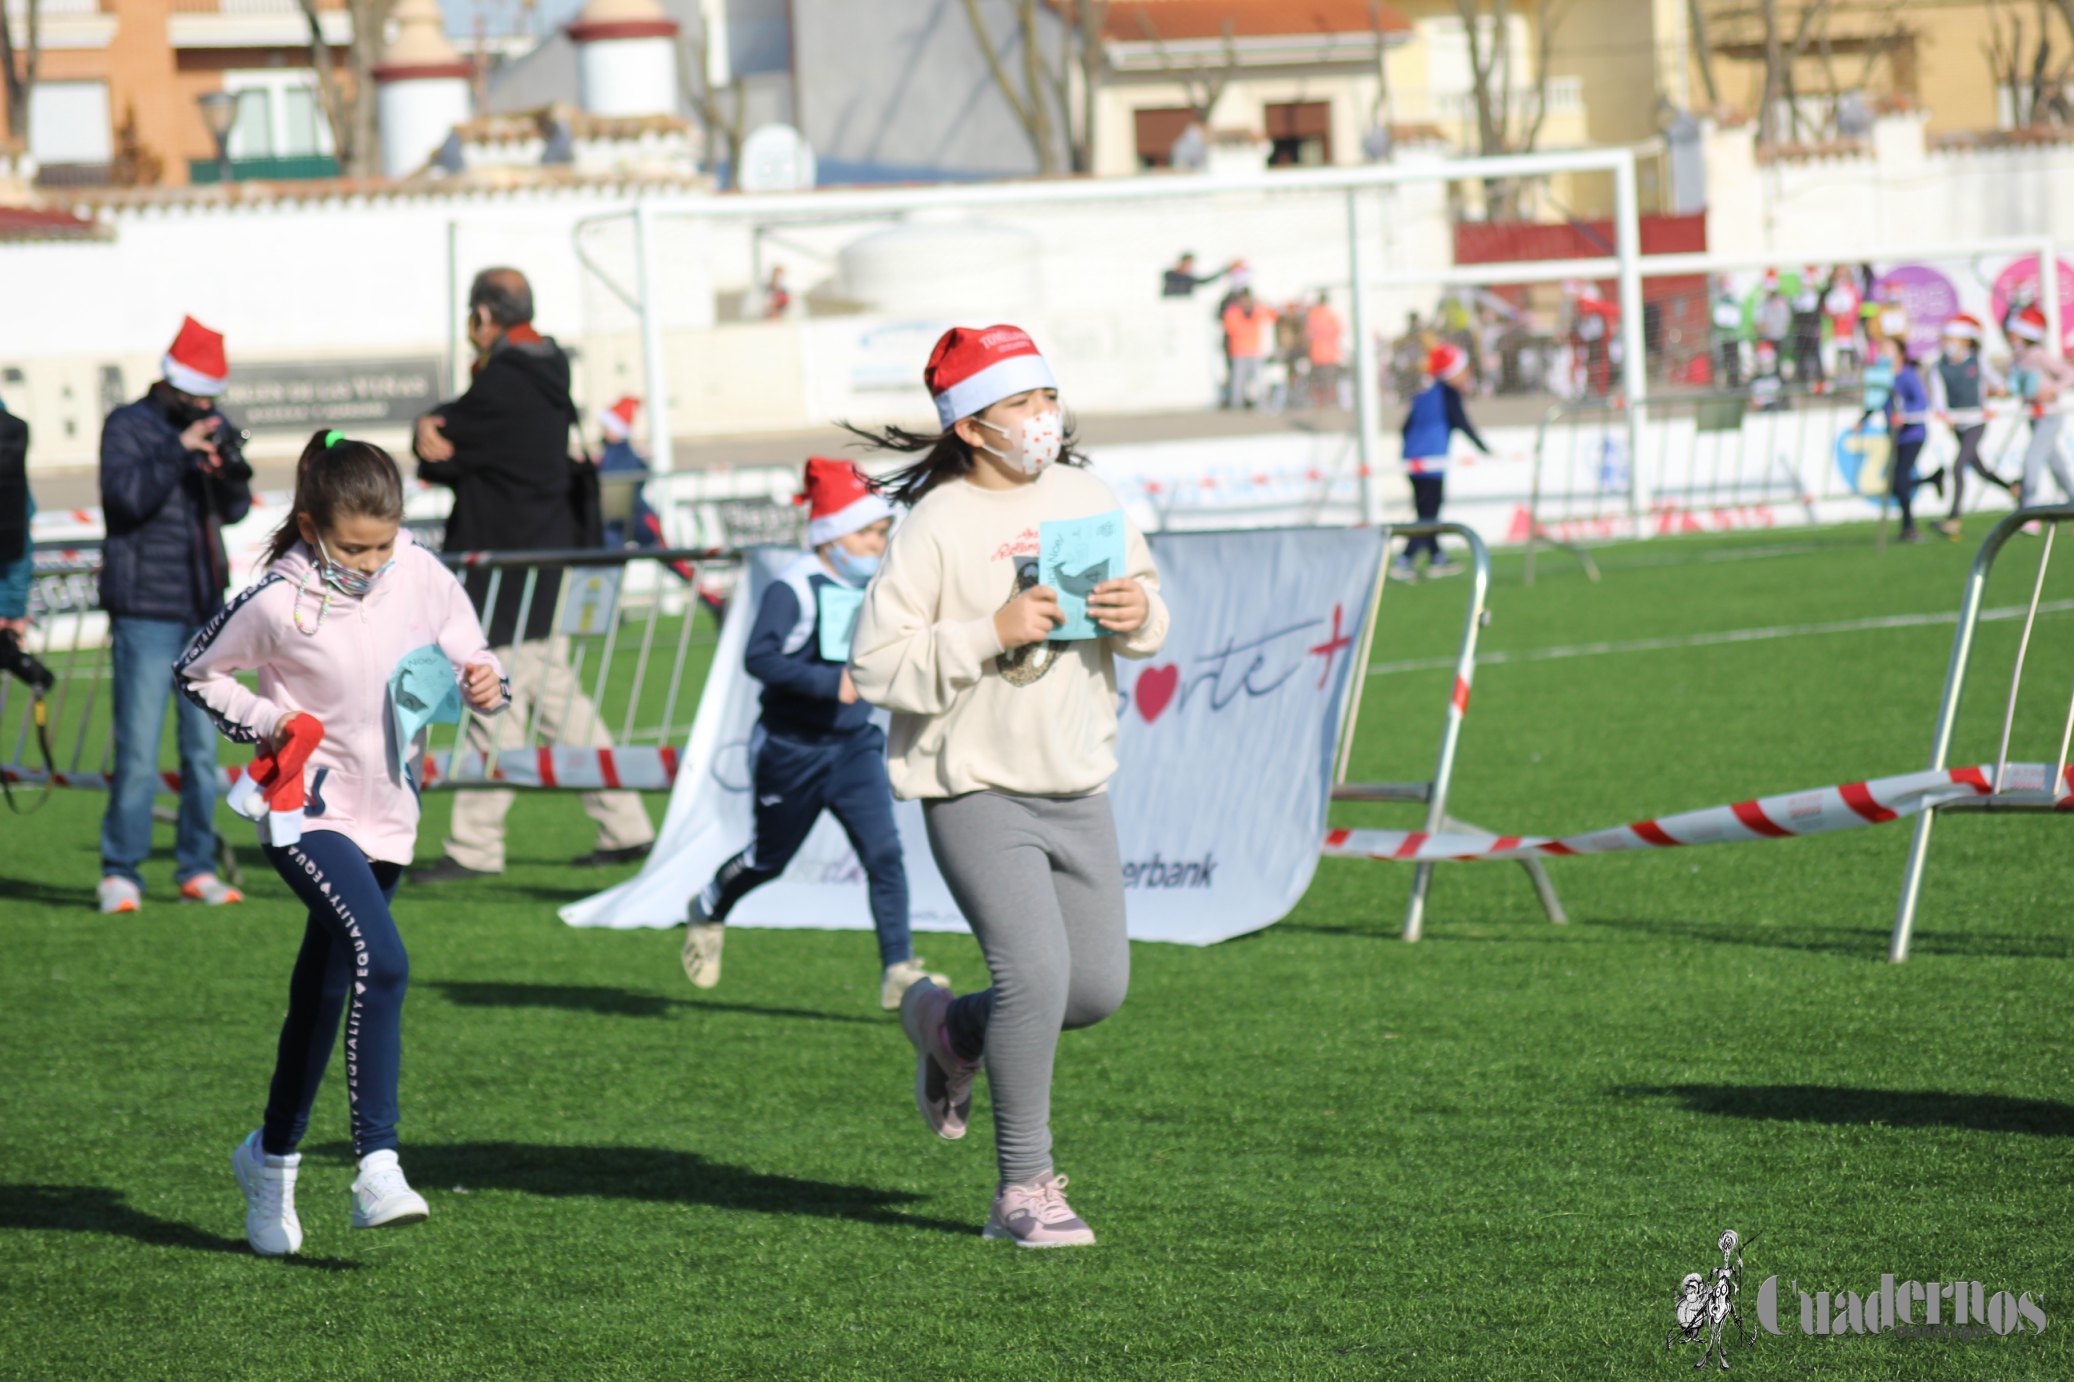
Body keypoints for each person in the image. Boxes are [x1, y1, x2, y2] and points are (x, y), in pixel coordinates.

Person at [846, 324, 1168, 1247]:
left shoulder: (1086, 494)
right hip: (974, 785)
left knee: (1093, 989)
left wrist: (1137, 610)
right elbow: (876, 665)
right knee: (1032, 974)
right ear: (972, 427)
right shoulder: (935, 522)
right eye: (1022, 404)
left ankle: (948, 1031)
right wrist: (992, 628)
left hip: (1077, 780)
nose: (1043, 418)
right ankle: (1022, 1190)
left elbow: (1150, 605)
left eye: (1047, 397)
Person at [176, 429, 509, 1257]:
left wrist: (485, 676)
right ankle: (377, 1167)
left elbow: (471, 646)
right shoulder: (276, 600)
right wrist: (269, 719)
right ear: (313, 525)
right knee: (382, 960)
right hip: (305, 809)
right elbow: (195, 669)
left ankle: (270, 1158)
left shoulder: (422, 572)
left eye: (383, 543)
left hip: (390, 812)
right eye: (353, 547)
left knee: (324, 994)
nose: (370, 562)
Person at [411, 268, 656, 882]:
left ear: (486, 315)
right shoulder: (547, 368)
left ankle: (475, 847)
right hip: (540, 560)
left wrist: (428, 428)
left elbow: (442, 455)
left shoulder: (504, 381)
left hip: (510, 567)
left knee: (499, 695)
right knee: (542, 697)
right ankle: (623, 825)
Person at [680, 457, 945, 1010]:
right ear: (831, 534)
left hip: (854, 747)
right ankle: (708, 908)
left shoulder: (876, 586)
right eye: (869, 532)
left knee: (885, 856)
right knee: (767, 861)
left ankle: (898, 968)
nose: (879, 543)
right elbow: (759, 658)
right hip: (790, 750)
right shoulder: (793, 588)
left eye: (882, 531)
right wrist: (829, 683)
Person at [95, 317, 254, 915]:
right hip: (144, 610)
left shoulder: (210, 427)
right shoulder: (129, 426)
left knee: (202, 754)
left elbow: (235, 507)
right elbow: (124, 500)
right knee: (137, 751)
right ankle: (121, 871)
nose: (204, 406)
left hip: (204, 609)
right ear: (171, 384)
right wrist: (177, 451)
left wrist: (225, 468)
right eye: (196, 395)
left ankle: (196, 866)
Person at [1391, 343, 1490, 582]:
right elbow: (1461, 422)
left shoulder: (1423, 395)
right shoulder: (1449, 394)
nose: (1466, 374)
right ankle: (1405, 559)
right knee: (1428, 513)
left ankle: (1437, 557)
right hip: (1431, 463)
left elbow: (1404, 428)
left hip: (1412, 461)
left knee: (1426, 509)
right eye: (1463, 369)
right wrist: (1485, 449)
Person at [1928, 314, 2014, 540]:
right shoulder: (1938, 367)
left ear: (1965, 340)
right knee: (1980, 469)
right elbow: (1939, 400)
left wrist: (1995, 393)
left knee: (1958, 467)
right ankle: (2013, 488)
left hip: (1976, 422)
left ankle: (1953, 518)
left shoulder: (1978, 361)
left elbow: (1999, 385)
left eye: (1952, 338)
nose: (1947, 343)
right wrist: (1945, 416)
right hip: (1958, 425)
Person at [2008, 305, 2074, 506]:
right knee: (2056, 464)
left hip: (2049, 415)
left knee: (2032, 459)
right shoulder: (2019, 357)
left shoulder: (2038, 354)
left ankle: (2028, 508)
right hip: (2034, 416)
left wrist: (2052, 389)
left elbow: (2068, 374)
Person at [1883, 339, 1944, 543]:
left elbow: (1921, 402)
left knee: (1899, 481)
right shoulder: (1887, 377)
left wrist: (1904, 415)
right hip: (1897, 437)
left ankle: (1909, 528)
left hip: (1913, 435)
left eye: (1887, 350)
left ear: (1900, 354)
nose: (1883, 354)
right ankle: (1932, 480)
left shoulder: (1907, 375)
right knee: (1896, 484)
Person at [1221, 287, 1276, 410]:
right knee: (1238, 379)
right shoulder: (1233, 312)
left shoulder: (1257, 310)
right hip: (1239, 350)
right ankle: (1236, 404)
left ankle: (1261, 403)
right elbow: (1230, 329)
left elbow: (1273, 316)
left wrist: (1261, 303)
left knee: (1259, 379)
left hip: (1254, 350)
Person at [1305, 293, 1346, 407]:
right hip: (1330, 353)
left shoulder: (1313, 315)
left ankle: (1320, 402)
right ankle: (1331, 402)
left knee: (1319, 381)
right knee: (1330, 380)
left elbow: (1309, 333)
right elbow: (1339, 330)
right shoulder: (1331, 314)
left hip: (1316, 353)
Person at [1788, 266, 1826, 388]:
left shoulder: (1816, 296)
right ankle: (1802, 380)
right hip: (1801, 331)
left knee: (1816, 356)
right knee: (1801, 356)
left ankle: (1820, 381)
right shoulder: (1798, 297)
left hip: (1812, 331)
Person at [1824, 268, 1863, 381]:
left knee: (1852, 353)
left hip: (1850, 329)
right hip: (1838, 330)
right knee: (1841, 355)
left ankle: (1854, 375)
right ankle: (1842, 377)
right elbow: (1828, 309)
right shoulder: (1833, 293)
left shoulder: (1852, 291)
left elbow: (1856, 307)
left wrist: (1849, 318)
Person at [1710, 281, 1746, 389]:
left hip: (1733, 338)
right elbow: (1718, 320)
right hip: (1724, 338)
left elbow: (1736, 320)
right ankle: (1729, 382)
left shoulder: (1735, 304)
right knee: (1726, 360)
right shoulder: (1719, 304)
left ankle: (1735, 381)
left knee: (1734, 359)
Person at [1160, 252, 1229, 299]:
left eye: (1189, 264)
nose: (1188, 267)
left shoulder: (1189, 278)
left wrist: (1224, 271)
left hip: (1184, 306)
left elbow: (1205, 281)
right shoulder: (1170, 275)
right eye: (1186, 264)